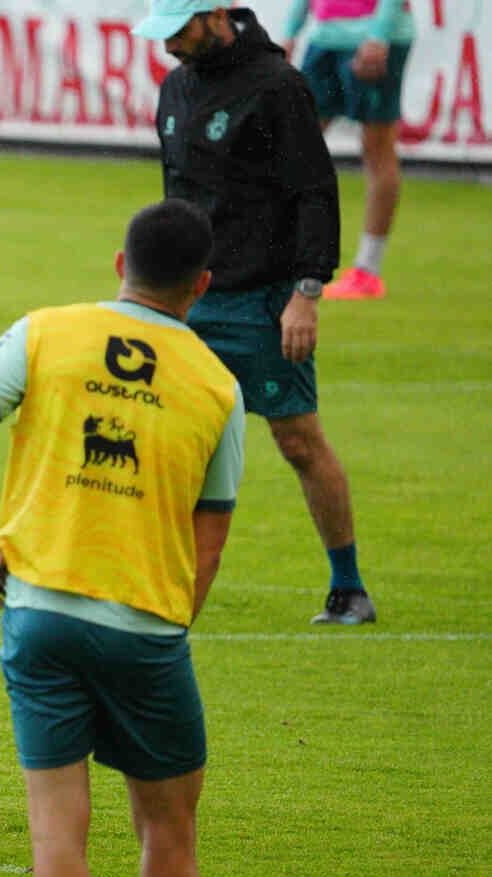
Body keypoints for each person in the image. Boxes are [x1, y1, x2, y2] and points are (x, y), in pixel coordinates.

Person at [0, 199, 245, 877]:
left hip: (39, 614)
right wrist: (165, 622)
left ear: (119, 265)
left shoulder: (45, 331)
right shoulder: (220, 387)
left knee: (57, 842)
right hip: (147, 629)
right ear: (201, 285)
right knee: (168, 834)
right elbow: (211, 538)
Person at [135, 0, 375, 625]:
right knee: (166, 437)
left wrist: (307, 290)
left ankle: (348, 585)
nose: (168, 46)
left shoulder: (278, 86)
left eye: (178, 32)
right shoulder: (175, 85)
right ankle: (154, 581)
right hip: (184, 299)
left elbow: (314, 193)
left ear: (215, 16)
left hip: (263, 299)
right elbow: (176, 193)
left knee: (297, 439)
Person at [281, 0, 415, 300]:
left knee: (377, 148)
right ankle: (279, 259)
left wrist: (379, 35)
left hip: (375, 37)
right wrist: (289, 33)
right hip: (324, 38)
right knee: (295, 145)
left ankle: (367, 270)